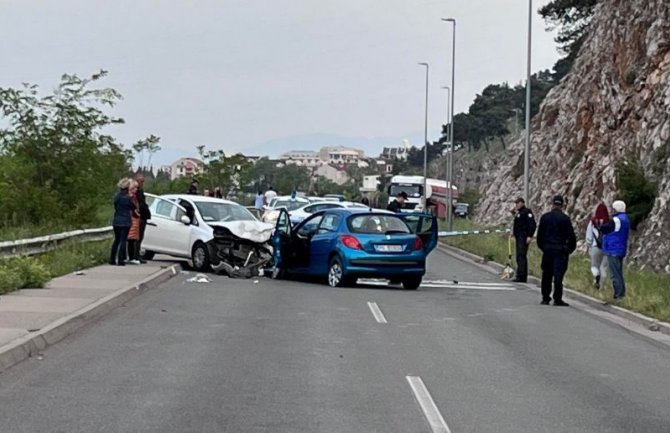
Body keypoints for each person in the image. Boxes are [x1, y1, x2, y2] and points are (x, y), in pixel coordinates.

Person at [536, 195, 577, 306]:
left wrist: (543, 247)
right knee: (558, 276)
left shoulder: (545, 217)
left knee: (546, 275)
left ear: (553, 204)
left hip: (548, 250)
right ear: (562, 205)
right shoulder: (565, 219)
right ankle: (557, 298)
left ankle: (545, 297)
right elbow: (571, 237)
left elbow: (539, 236)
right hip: (560, 250)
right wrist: (568, 250)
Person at [600, 200, 630, 300]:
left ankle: (618, 295)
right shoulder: (625, 218)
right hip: (620, 248)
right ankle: (621, 293)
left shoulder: (616, 220)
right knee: (619, 272)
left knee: (614, 274)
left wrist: (600, 224)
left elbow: (604, 228)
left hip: (613, 248)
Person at [110, 178, 135, 266]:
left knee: (116, 240)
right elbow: (133, 207)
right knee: (123, 240)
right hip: (125, 221)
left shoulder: (116, 196)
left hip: (116, 220)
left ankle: (112, 259)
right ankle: (121, 260)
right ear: (127, 187)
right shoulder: (128, 198)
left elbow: (115, 205)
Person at [512, 197, 537, 283]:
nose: (516, 205)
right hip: (519, 237)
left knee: (521, 256)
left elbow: (532, 224)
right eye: (516, 203)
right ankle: (521, 275)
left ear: (522, 203)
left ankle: (521, 276)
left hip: (523, 237)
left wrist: (529, 236)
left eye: (518, 203)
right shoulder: (519, 213)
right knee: (519, 256)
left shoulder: (527, 212)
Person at [585, 202, 609, 289]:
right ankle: (601, 286)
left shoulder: (593, 222)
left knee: (594, 266)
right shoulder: (609, 223)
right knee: (604, 267)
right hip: (606, 248)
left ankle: (596, 278)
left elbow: (589, 236)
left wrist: (589, 245)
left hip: (595, 247)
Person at [135, 174, 151, 264]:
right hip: (140, 217)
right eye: (141, 181)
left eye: (143, 181)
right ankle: (136, 256)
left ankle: (137, 255)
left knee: (140, 237)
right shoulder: (137, 192)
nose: (142, 183)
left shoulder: (140, 191)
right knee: (137, 237)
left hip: (143, 216)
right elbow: (140, 204)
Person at [126, 180, 142, 265]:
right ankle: (131, 257)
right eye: (135, 187)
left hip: (134, 218)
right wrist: (138, 214)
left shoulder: (133, 196)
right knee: (131, 239)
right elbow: (133, 209)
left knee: (131, 239)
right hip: (133, 219)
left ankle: (130, 257)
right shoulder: (132, 198)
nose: (136, 189)